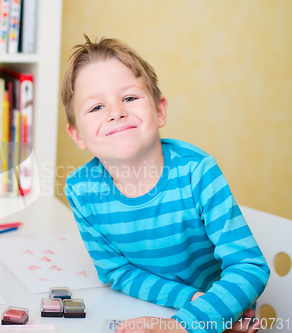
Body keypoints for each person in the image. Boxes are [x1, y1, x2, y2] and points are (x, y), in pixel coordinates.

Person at [62, 35, 270, 333]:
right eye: (96, 108)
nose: (116, 112)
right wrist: (191, 300)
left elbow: (250, 267)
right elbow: (116, 271)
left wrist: (186, 323)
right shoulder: (81, 190)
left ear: (159, 111)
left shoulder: (196, 172)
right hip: (179, 311)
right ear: (77, 135)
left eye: (130, 98)